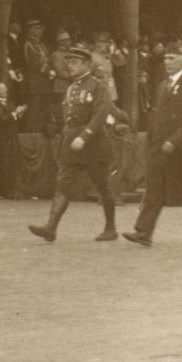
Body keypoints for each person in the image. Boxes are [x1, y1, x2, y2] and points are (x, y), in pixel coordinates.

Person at [124, 42, 182, 247]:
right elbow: (157, 116)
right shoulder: (163, 85)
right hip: (161, 145)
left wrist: (175, 140)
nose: (167, 62)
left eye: (172, 58)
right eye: (165, 58)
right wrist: (154, 140)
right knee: (155, 186)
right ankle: (143, 232)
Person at [29, 47, 119, 241]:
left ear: (86, 65)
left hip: (93, 144)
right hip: (72, 144)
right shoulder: (71, 88)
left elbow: (101, 114)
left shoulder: (98, 86)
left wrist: (84, 136)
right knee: (63, 185)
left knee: (103, 187)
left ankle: (110, 228)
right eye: (68, 62)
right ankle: (51, 227)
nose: (70, 66)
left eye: (74, 63)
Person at [22, 20, 53, 134]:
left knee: (42, 110)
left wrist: (48, 67)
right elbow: (34, 63)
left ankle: (38, 135)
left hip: (43, 82)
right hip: (34, 82)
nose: (40, 31)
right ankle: (31, 135)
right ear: (31, 30)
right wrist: (48, 70)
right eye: (37, 28)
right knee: (34, 110)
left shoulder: (41, 44)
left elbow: (48, 59)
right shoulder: (29, 44)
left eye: (41, 29)